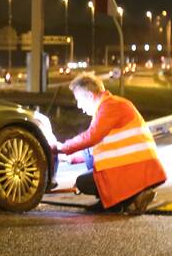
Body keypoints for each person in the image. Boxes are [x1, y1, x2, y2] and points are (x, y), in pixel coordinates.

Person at [54, 73, 166, 214]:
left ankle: (131, 198)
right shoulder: (107, 107)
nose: (78, 106)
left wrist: (63, 148)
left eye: (79, 100)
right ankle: (121, 200)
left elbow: (91, 137)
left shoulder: (111, 106)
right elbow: (95, 150)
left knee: (83, 182)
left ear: (89, 96)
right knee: (87, 174)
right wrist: (70, 158)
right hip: (134, 167)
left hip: (136, 169)